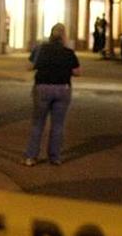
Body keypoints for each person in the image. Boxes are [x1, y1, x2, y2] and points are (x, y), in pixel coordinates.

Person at [24, 22, 80, 166]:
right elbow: (77, 72)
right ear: (63, 36)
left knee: (38, 124)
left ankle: (31, 157)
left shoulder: (41, 49)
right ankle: (55, 157)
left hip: (42, 88)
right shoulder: (68, 52)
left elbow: (29, 67)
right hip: (62, 89)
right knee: (58, 125)